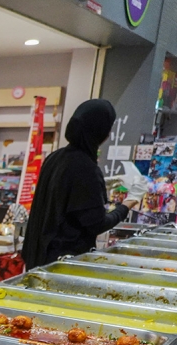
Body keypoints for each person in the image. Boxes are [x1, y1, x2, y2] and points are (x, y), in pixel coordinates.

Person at [21, 99, 144, 269]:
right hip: (61, 264)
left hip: (38, 257)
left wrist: (104, 185)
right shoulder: (86, 168)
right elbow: (97, 223)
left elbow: (64, 196)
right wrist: (128, 204)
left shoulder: (55, 157)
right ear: (101, 132)